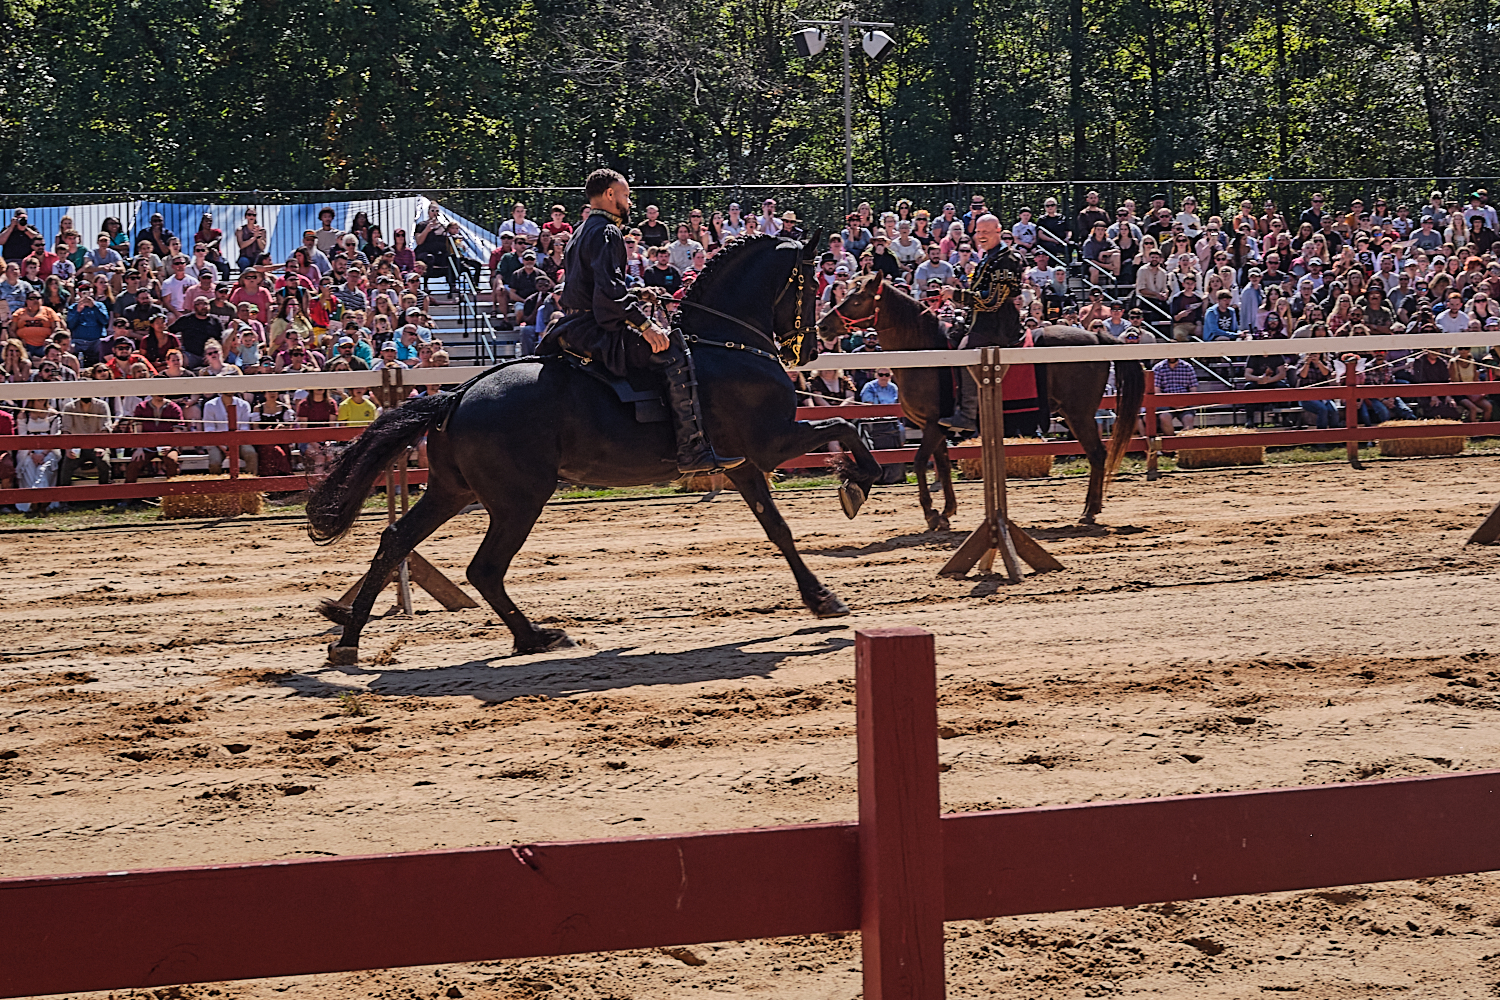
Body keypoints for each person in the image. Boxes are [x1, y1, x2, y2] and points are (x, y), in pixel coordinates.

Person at [539, 168, 740, 473]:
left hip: (573, 325)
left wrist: (636, 293)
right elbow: (608, 296)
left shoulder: (580, 231)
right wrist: (646, 326)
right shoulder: (607, 232)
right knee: (673, 353)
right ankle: (692, 450)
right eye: (626, 195)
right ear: (610, 194)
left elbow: (595, 288)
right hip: (596, 330)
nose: (630, 202)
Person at [935, 214, 1023, 432]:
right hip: (979, 319)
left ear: (998, 231)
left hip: (997, 324)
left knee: (966, 353)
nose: (981, 236)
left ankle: (967, 415)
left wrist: (957, 294)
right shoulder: (988, 257)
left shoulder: (1007, 259)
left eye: (986, 231)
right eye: (978, 232)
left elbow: (992, 301)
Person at [202, 375, 258, 475]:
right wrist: (222, 446)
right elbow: (209, 429)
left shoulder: (244, 405)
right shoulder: (210, 405)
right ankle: (216, 483)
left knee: (251, 454)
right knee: (215, 462)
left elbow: (244, 428)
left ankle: (250, 480)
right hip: (217, 442)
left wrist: (234, 444)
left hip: (239, 441)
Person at [1151, 356, 1197, 434]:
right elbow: (1157, 390)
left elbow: (1193, 389)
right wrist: (1170, 403)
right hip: (1165, 402)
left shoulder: (1187, 367)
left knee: (1188, 418)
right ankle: (1171, 439)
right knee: (1164, 417)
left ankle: (1186, 439)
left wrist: (1185, 402)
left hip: (1184, 402)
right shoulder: (1158, 368)